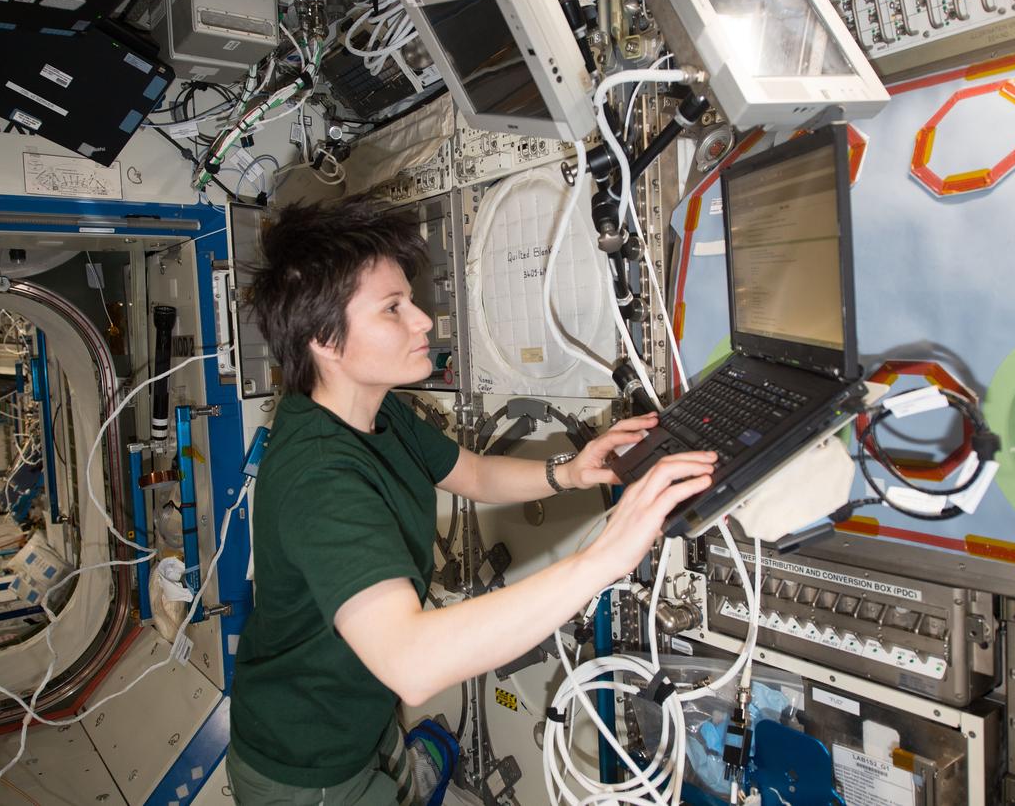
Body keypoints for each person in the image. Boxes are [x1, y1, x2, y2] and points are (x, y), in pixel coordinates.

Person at [228, 199, 716, 805]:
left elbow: (476, 475)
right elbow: (411, 663)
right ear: (324, 339)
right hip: (307, 767)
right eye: (392, 309)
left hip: (363, 723)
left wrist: (575, 471)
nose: (423, 322)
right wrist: (607, 557)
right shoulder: (319, 477)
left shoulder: (379, 414)